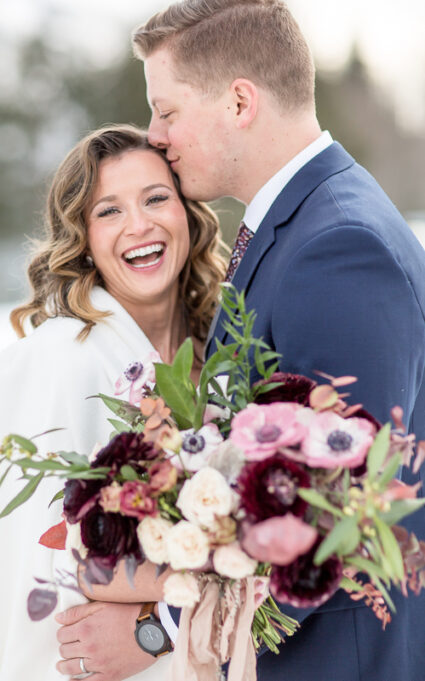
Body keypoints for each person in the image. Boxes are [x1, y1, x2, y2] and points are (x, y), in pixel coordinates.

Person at [55, 2, 425, 680]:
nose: (153, 133)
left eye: (166, 110)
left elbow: (326, 517)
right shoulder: (300, 221)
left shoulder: (340, 246)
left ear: (239, 101)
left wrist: (154, 631)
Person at [0, 124, 227, 681]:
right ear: (81, 238)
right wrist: (233, 576)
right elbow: (43, 558)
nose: (140, 225)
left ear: (188, 212)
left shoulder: (221, 348)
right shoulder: (60, 360)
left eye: (157, 198)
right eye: (108, 211)